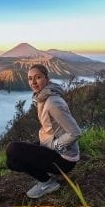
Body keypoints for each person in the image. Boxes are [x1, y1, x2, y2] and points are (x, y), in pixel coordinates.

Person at [5, 64, 81, 199]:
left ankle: (47, 183)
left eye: (38, 77)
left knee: (13, 149)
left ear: (47, 78)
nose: (33, 82)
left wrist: (54, 146)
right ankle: (47, 174)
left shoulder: (53, 103)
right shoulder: (42, 97)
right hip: (53, 146)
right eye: (30, 79)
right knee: (12, 162)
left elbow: (75, 132)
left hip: (65, 159)